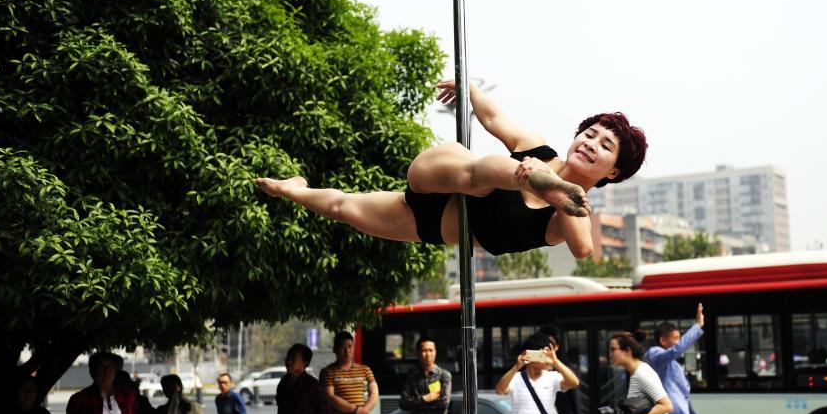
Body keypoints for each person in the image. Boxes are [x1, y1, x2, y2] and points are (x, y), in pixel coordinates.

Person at [255, 80, 647, 258]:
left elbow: (583, 248)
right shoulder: (536, 148)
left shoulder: (572, 213)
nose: (590, 144)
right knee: (479, 175)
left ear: (613, 171)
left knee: (341, 208)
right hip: (441, 172)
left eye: (605, 145)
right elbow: (494, 117)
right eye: (589, 134)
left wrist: (562, 196)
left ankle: (293, 189)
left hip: (422, 221)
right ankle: (520, 176)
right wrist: (470, 89)